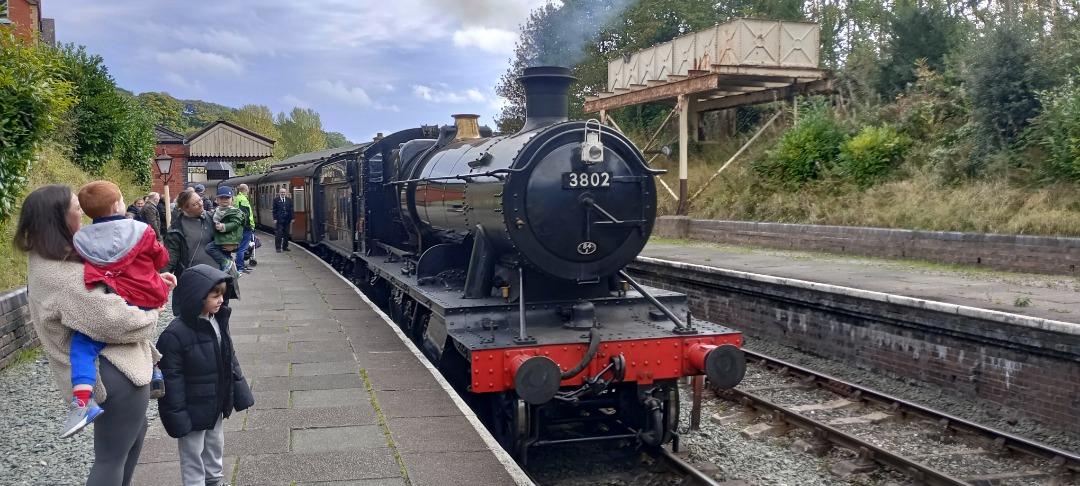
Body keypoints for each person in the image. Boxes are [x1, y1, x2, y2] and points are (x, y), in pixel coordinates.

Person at [14, 184, 174, 486]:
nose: (83, 214)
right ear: (59, 219)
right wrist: (154, 306)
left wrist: (151, 280)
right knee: (110, 457)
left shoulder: (53, 259)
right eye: (77, 208)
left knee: (130, 440)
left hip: (111, 367)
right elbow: (117, 320)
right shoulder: (60, 273)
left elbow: (115, 281)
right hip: (113, 371)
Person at [62, 181, 171, 438]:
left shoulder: (80, 239)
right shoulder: (141, 229)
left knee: (83, 344)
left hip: (115, 299)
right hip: (147, 296)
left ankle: (81, 400)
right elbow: (161, 259)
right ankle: (155, 369)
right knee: (139, 326)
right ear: (117, 205)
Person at [156, 264, 253, 486]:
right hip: (190, 408)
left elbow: (229, 359)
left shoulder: (217, 322)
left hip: (215, 402)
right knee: (192, 454)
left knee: (215, 445)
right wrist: (177, 416)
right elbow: (172, 380)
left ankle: (215, 481)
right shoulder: (174, 335)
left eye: (222, 294)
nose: (220, 300)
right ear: (197, 296)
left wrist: (239, 391)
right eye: (214, 295)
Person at [164, 191, 240, 301]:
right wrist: (165, 275)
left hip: (218, 277)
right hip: (193, 280)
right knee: (194, 313)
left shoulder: (214, 218)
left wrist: (234, 245)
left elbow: (233, 234)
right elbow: (170, 256)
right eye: (195, 204)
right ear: (185, 208)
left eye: (200, 200)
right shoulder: (176, 229)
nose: (200, 204)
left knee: (220, 313)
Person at [204, 186, 244, 274]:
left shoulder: (235, 212)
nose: (224, 199)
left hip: (225, 240)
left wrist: (224, 227)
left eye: (227, 197)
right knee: (227, 257)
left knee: (210, 248)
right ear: (217, 200)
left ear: (232, 200)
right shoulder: (214, 213)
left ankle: (227, 265)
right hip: (220, 240)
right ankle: (234, 272)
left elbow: (237, 226)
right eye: (222, 197)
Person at [233, 184, 255, 273]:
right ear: (246, 189)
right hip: (245, 228)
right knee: (242, 248)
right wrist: (249, 226)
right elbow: (245, 215)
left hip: (241, 227)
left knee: (241, 248)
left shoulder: (238, 198)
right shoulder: (243, 199)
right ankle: (240, 267)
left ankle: (240, 265)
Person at [272, 187, 294, 252]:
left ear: (286, 193)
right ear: (279, 193)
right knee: (279, 233)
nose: (283, 193)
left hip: (287, 219)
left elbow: (291, 209)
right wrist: (275, 218)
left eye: (284, 192)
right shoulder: (276, 200)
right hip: (279, 220)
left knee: (286, 234)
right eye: (282, 192)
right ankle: (278, 247)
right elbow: (274, 210)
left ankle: (285, 247)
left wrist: (292, 217)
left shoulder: (289, 200)